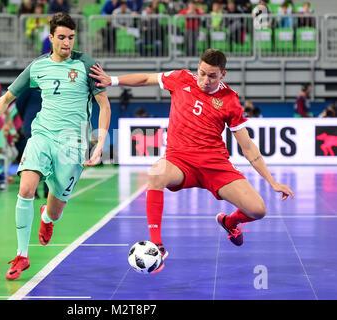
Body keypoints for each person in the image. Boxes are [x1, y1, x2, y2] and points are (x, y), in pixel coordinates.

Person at [89, 49, 294, 274]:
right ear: (198, 68)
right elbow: (147, 78)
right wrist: (113, 80)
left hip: (215, 166)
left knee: (258, 210)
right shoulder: (181, 78)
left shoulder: (230, 100)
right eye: (202, 73)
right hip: (180, 161)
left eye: (212, 76)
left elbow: (247, 147)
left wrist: (272, 181)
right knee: (156, 173)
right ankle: (157, 246)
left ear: (223, 75)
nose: (205, 80)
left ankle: (229, 222)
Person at [0, 12, 111, 280]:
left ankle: (47, 218)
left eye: (71, 38)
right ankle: (22, 255)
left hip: (73, 143)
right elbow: (6, 97)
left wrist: (100, 143)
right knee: (26, 188)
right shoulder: (38, 66)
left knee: (55, 210)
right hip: (42, 135)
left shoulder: (87, 64)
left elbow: (104, 104)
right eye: (62, 37)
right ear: (51, 37)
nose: (67, 43)